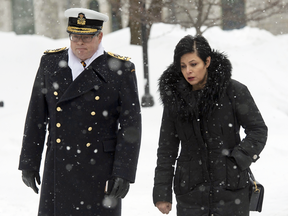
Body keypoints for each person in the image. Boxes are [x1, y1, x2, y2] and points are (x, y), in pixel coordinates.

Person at [18, 8, 141, 216]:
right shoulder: (50, 64)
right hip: (59, 165)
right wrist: (29, 162)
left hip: (100, 169)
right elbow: (36, 116)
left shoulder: (120, 69)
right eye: (75, 36)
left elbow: (131, 127)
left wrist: (124, 172)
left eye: (86, 37)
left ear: (99, 36)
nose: (79, 43)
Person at [153, 35, 267, 216]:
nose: (188, 71)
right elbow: (167, 148)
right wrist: (162, 191)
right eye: (183, 66)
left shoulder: (233, 91)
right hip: (190, 190)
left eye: (193, 64)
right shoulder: (175, 98)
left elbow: (258, 130)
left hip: (231, 189)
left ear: (207, 61)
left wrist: (237, 159)